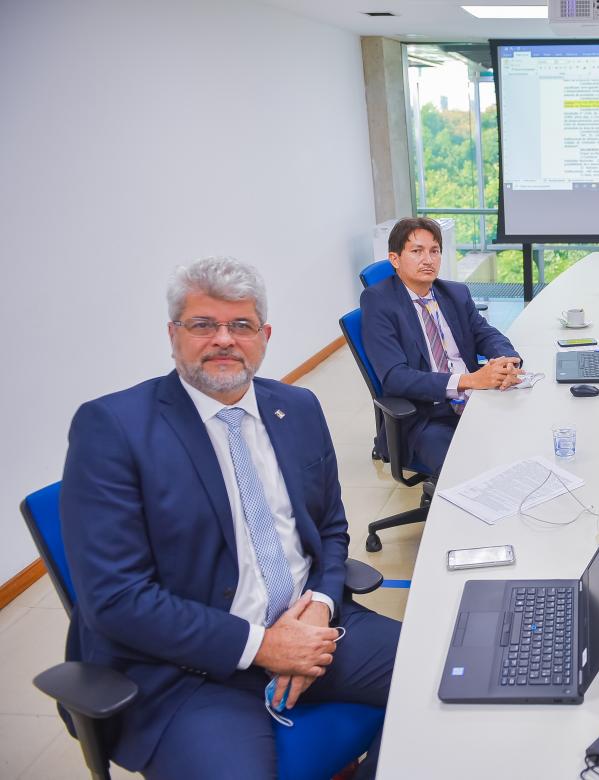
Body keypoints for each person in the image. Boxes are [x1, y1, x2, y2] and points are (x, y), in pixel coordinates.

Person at [60, 257, 400, 779]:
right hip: (188, 672)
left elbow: (330, 529)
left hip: (312, 629)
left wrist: (322, 606)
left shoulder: (298, 407)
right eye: (203, 325)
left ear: (264, 336)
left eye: (240, 325)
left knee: (452, 681)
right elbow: (116, 599)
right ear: (173, 334)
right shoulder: (112, 430)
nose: (224, 339)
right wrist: (264, 645)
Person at [361, 217, 522, 473]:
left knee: (527, 441)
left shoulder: (455, 293)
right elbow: (394, 377)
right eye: (417, 251)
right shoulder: (379, 302)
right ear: (395, 259)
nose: (428, 259)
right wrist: (468, 380)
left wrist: (508, 361)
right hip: (426, 417)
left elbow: (486, 334)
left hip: (477, 399)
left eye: (434, 251)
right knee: (468, 474)